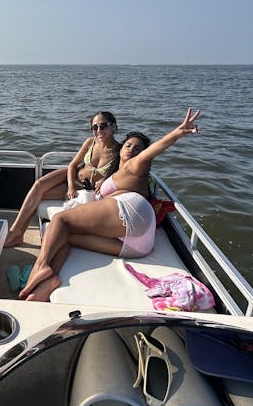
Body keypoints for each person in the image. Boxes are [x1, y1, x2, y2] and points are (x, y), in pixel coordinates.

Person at [19, 108, 201, 302]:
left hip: (131, 213)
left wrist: (177, 133)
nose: (131, 149)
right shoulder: (116, 172)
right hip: (137, 245)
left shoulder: (135, 166)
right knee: (66, 236)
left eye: (137, 148)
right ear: (120, 149)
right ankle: (47, 284)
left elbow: (153, 150)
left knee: (59, 220)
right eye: (128, 145)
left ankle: (41, 266)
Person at [4, 111, 121, 247]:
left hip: (84, 189)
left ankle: (17, 235)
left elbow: (122, 174)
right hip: (72, 177)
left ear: (113, 126)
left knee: (39, 197)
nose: (99, 131)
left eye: (103, 126)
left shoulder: (120, 151)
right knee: (38, 185)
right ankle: (15, 232)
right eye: (95, 127)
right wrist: (71, 186)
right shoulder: (90, 142)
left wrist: (105, 180)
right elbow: (72, 165)